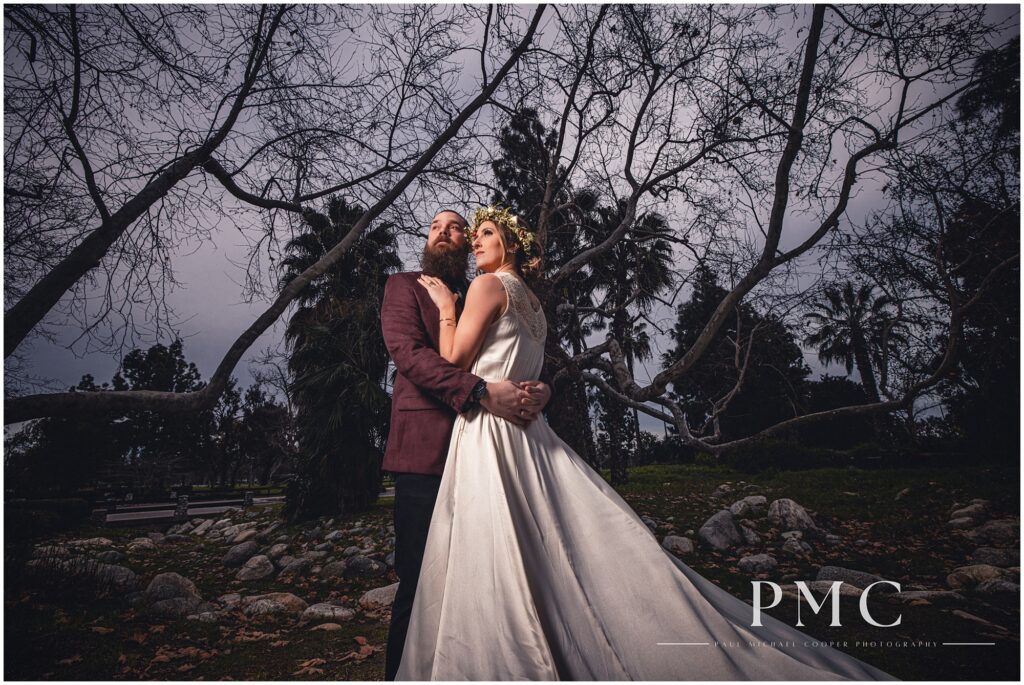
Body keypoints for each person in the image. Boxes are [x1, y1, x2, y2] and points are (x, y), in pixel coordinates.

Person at [395, 205, 898, 680]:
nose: (473, 237)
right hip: (518, 436)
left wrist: (445, 309)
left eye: (483, 231)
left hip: (493, 434)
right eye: (469, 230)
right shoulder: (533, 304)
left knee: (497, 548)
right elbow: (505, 362)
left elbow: (455, 361)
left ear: (509, 244)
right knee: (541, 545)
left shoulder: (482, 286)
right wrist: (541, 388)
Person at [379, 209, 551, 681]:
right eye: (435, 227)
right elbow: (409, 356)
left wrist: (542, 388)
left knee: (484, 575)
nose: (445, 233)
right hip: (425, 453)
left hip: (487, 454)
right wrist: (478, 390)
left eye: (456, 228)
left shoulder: (482, 290)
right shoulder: (404, 286)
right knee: (420, 580)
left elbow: (510, 358)